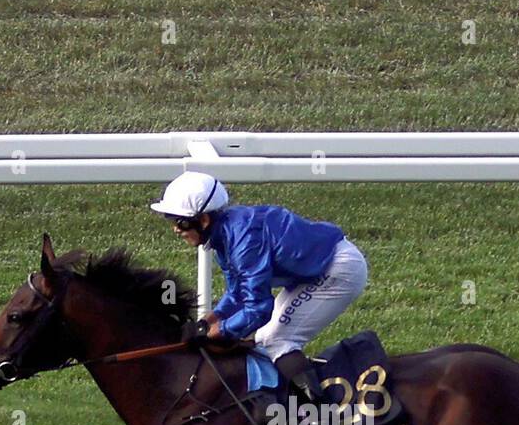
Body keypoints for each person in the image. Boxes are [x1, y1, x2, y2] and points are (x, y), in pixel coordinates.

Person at [150, 171, 368, 401]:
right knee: (264, 336)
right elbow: (236, 294)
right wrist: (206, 323)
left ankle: (321, 415)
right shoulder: (225, 234)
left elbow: (258, 309)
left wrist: (217, 332)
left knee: (277, 339)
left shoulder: (244, 241)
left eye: (181, 222)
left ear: (203, 220)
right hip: (319, 268)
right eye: (172, 220)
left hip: (338, 269)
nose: (176, 229)